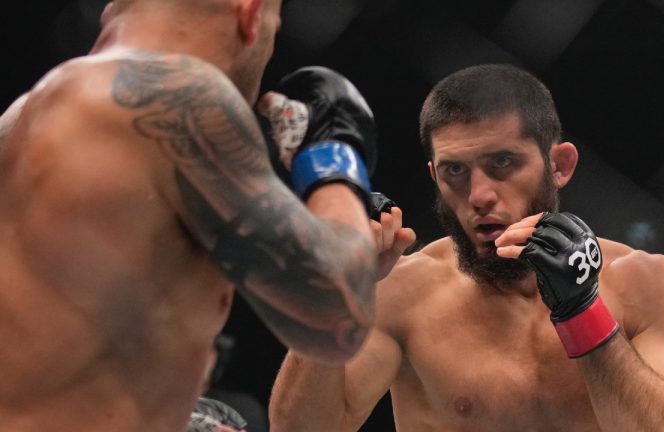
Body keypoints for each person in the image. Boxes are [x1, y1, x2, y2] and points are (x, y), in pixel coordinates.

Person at [0, 0, 385, 430]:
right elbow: (336, 311)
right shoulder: (175, 97)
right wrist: (332, 152)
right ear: (251, 13)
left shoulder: (22, 121)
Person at [268, 64, 664, 431]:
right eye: (455, 170)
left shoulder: (645, 282)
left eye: (502, 163)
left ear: (559, 166)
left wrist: (582, 311)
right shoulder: (402, 292)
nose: (479, 194)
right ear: (434, 178)